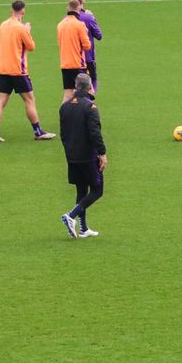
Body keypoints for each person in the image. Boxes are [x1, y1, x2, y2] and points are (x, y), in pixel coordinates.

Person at [0, 0, 56, 143]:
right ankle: (38, 132)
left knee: (1, 101)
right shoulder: (20, 28)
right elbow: (31, 46)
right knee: (29, 99)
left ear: (11, 10)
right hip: (18, 70)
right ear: (23, 11)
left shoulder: (3, 25)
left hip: (4, 69)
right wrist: (27, 30)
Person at [59, 73, 107, 239]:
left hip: (72, 155)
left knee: (81, 190)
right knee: (97, 190)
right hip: (88, 157)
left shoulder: (64, 107)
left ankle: (83, 228)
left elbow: (63, 134)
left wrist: (69, 151)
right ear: (89, 87)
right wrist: (102, 153)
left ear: (75, 86)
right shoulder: (90, 107)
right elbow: (95, 133)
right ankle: (71, 215)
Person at [58, 0, 93, 103]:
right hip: (78, 64)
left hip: (65, 64)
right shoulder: (80, 25)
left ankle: (64, 112)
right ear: (78, 9)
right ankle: (90, 111)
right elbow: (87, 46)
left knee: (68, 94)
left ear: (67, 8)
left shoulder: (60, 25)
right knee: (89, 91)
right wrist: (86, 32)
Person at [72, 0, 103, 92]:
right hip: (87, 57)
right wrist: (93, 18)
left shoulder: (67, 19)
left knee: (74, 87)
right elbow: (99, 35)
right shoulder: (88, 18)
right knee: (92, 84)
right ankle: (90, 101)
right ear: (83, 3)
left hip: (73, 58)